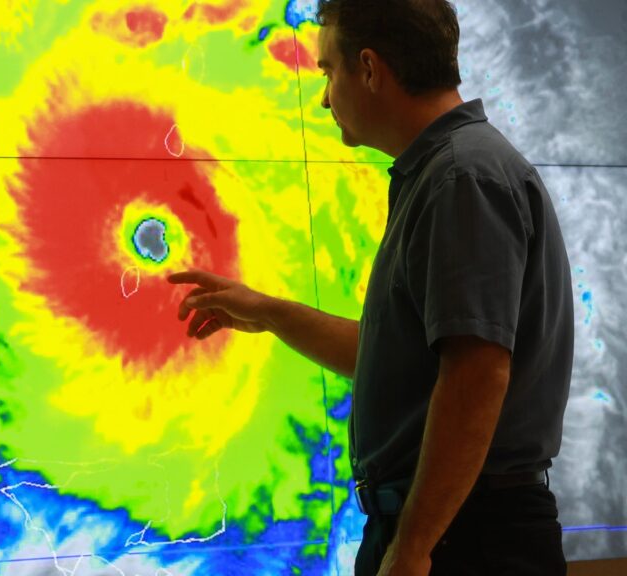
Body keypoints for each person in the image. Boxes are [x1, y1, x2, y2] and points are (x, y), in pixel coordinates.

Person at [168, 1, 574, 574]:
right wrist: (267, 312)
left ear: (369, 68)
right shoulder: (441, 173)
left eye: (328, 71)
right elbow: (395, 361)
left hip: (463, 539)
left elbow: (477, 373)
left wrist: (411, 550)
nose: (325, 97)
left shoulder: (461, 176)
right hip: (444, 530)